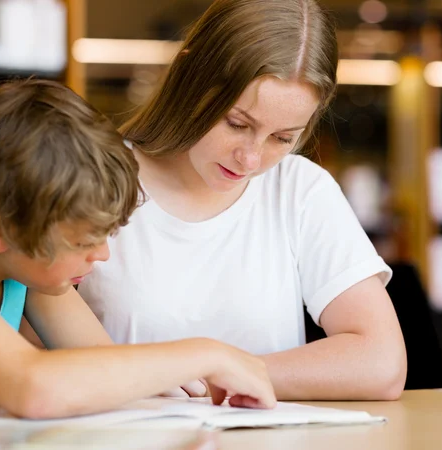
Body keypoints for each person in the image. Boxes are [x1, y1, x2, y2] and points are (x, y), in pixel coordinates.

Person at [0, 79, 275, 416]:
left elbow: (99, 362)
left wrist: (15, 379)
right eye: (84, 241)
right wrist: (207, 354)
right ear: (2, 231)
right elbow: (36, 389)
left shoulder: (22, 268)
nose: (102, 254)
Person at [77, 0, 407, 400]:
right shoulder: (92, 178)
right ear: (189, 76)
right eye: (236, 123)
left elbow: (382, 363)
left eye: (283, 138)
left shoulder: (298, 189)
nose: (251, 159)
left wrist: (221, 370)